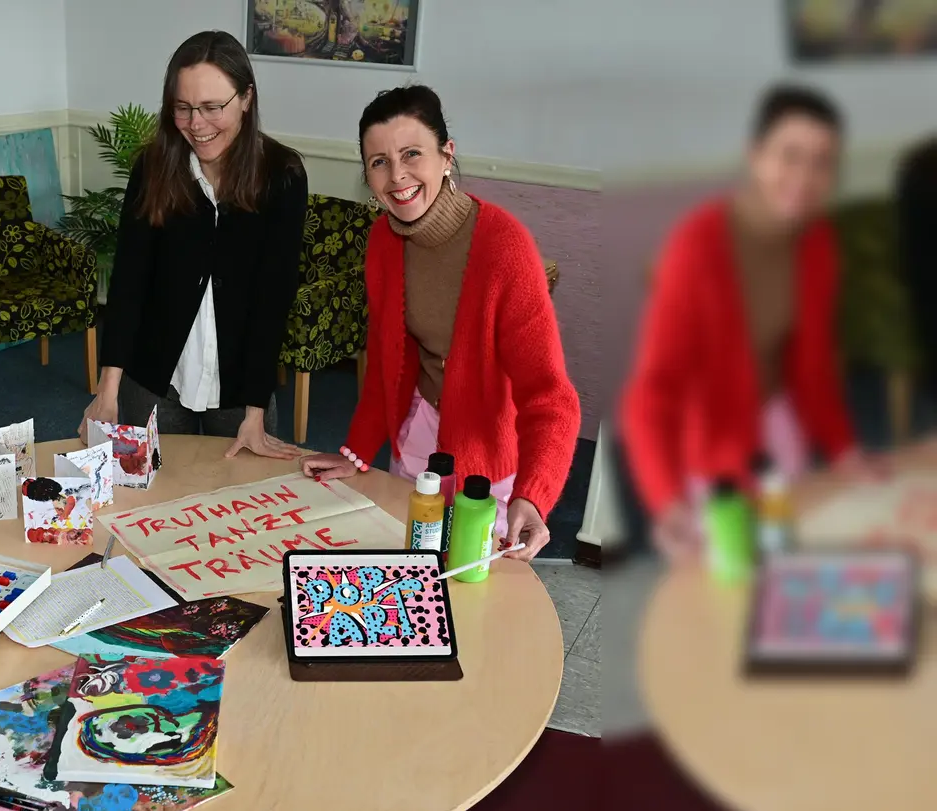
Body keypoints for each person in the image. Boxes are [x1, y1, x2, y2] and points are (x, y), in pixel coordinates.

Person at [301, 86, 580, 561]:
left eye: (412, 154)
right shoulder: (383, 240)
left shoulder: (504, 247)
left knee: (473, 586)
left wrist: (533, 496)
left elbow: (551, 397)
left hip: (487, 455)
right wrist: (356, 450)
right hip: (416, 434)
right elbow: (387, 360)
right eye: (379, 162)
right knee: (411, 565)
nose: (397, 176)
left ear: (447, 155)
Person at [619, 84, 882, 563]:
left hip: (779, 424)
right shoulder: (696, 246)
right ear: (756, 157)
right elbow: (653, 390)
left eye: (823, 162)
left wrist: (845, 451)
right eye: (791, 155)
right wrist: (666, 502)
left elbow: (815, 363)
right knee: (730, 581)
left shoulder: (818, 242)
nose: (806, 176)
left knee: (790, 556)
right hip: (712, 449)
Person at [82, 30, 307, 461]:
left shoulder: (282, 174)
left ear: (246, 98)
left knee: (241, 511)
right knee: (148, 506)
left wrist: (256, 411)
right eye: (182, 108)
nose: (196, 124)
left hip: (241, 388)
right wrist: (107, 392)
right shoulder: (153, 167)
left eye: (211, 107)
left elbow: (272, 299)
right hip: (154, 379)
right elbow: (130, 281)